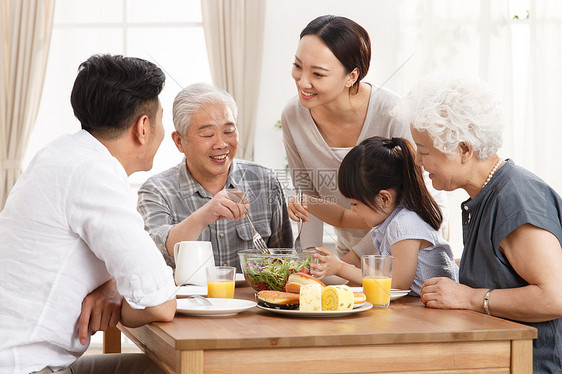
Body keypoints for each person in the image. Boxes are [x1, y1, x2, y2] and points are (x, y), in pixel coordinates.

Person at [0, 54, 177, 374]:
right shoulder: (95, 173)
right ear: (143, 127)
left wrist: (112, 286)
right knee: (179, 369)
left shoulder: (62, 153)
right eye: (162, 119)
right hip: (26, 366)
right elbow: (159, 302)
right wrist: (127, 294)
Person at [393, 75, 562, 372]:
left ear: (464, 150)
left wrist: (469, 297)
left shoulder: (516, 198)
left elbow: (554, 296)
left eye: (425, 151)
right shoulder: (488, 193)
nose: (418, 161)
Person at [281, 15, 448, 260]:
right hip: (349, 244)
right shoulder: (293, 116)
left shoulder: (394, 114)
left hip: (411, 245)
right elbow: (309, 198)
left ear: (352, 76)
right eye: (298, 66)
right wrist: (309, 264)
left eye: (317, 74)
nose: (302, 81)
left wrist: (349, 265)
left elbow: (408, 203)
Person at [137, 83, 292, 273]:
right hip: (185, 303)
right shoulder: (156, 190)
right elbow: (154, 257)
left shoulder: (265, 181)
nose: (221, 144)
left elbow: (284, 261)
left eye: (229, 131)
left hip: (253, 302)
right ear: (179, 142)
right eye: (208, 134)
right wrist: (203, 216)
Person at [288, 136, 457, 295]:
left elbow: (398, 284)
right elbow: (341, 216)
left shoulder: (405, 224)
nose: (353, 210)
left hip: (441, 312)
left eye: (355, 204)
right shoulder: (389, 219)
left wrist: (340, 268)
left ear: (384, 198)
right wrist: (305, 201)